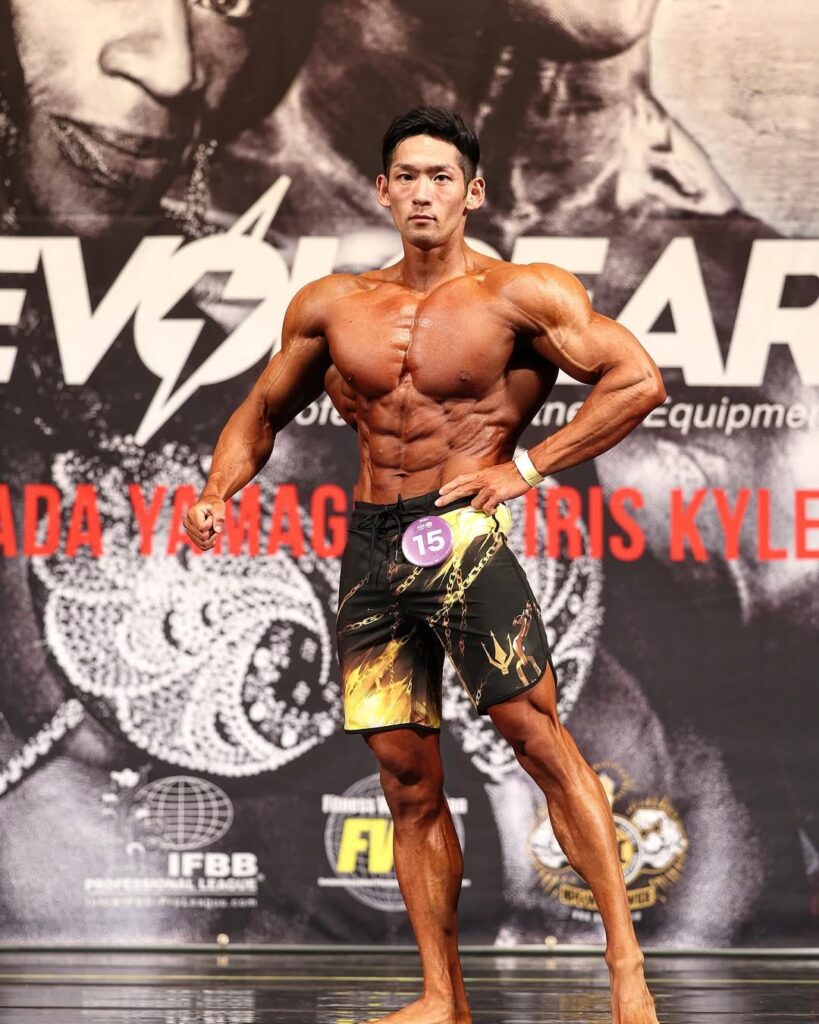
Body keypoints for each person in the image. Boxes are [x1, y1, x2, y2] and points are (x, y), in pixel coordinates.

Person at [186, 107, 666, 1024]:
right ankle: (443, 997)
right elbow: (263, 408)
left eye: (440, 176)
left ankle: (625, 971)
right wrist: (217, 489)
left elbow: (636, 380)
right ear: (380, 189)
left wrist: (524, 469)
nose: (421, 192)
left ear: (472, 192)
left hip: (462, 536)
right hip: (372, 548)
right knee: (406, 782)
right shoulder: (332, 304)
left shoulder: (519, 295)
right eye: (405, 175)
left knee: (538, 743)